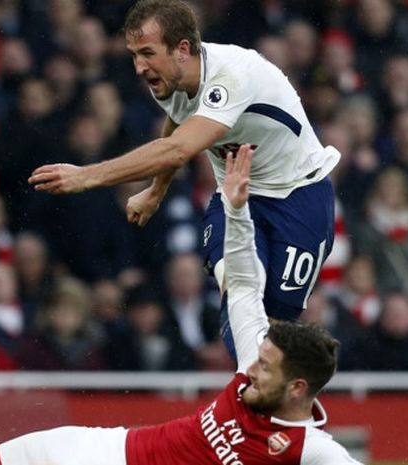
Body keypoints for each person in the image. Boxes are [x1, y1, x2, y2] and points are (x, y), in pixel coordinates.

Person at [0, 145, 361, 465]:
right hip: (106, 451)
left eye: (266, 367)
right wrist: (236, 211)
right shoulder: (255, 356)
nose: (251, 366)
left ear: (298, 388)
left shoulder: (310, 449)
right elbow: (241, 284)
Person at [28, 0, 339, 355]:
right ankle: (246, 401)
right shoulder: (169, 79)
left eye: (147, 53)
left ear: (182, 49)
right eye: (133, 54)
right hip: (237, 199)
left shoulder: (232, 76)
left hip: (299, 197)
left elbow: (177, 150)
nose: (139, 67)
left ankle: (275, 402)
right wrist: (156, 191)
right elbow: (176, 126)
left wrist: (87, 176)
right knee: (239, 302)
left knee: (275, 329)